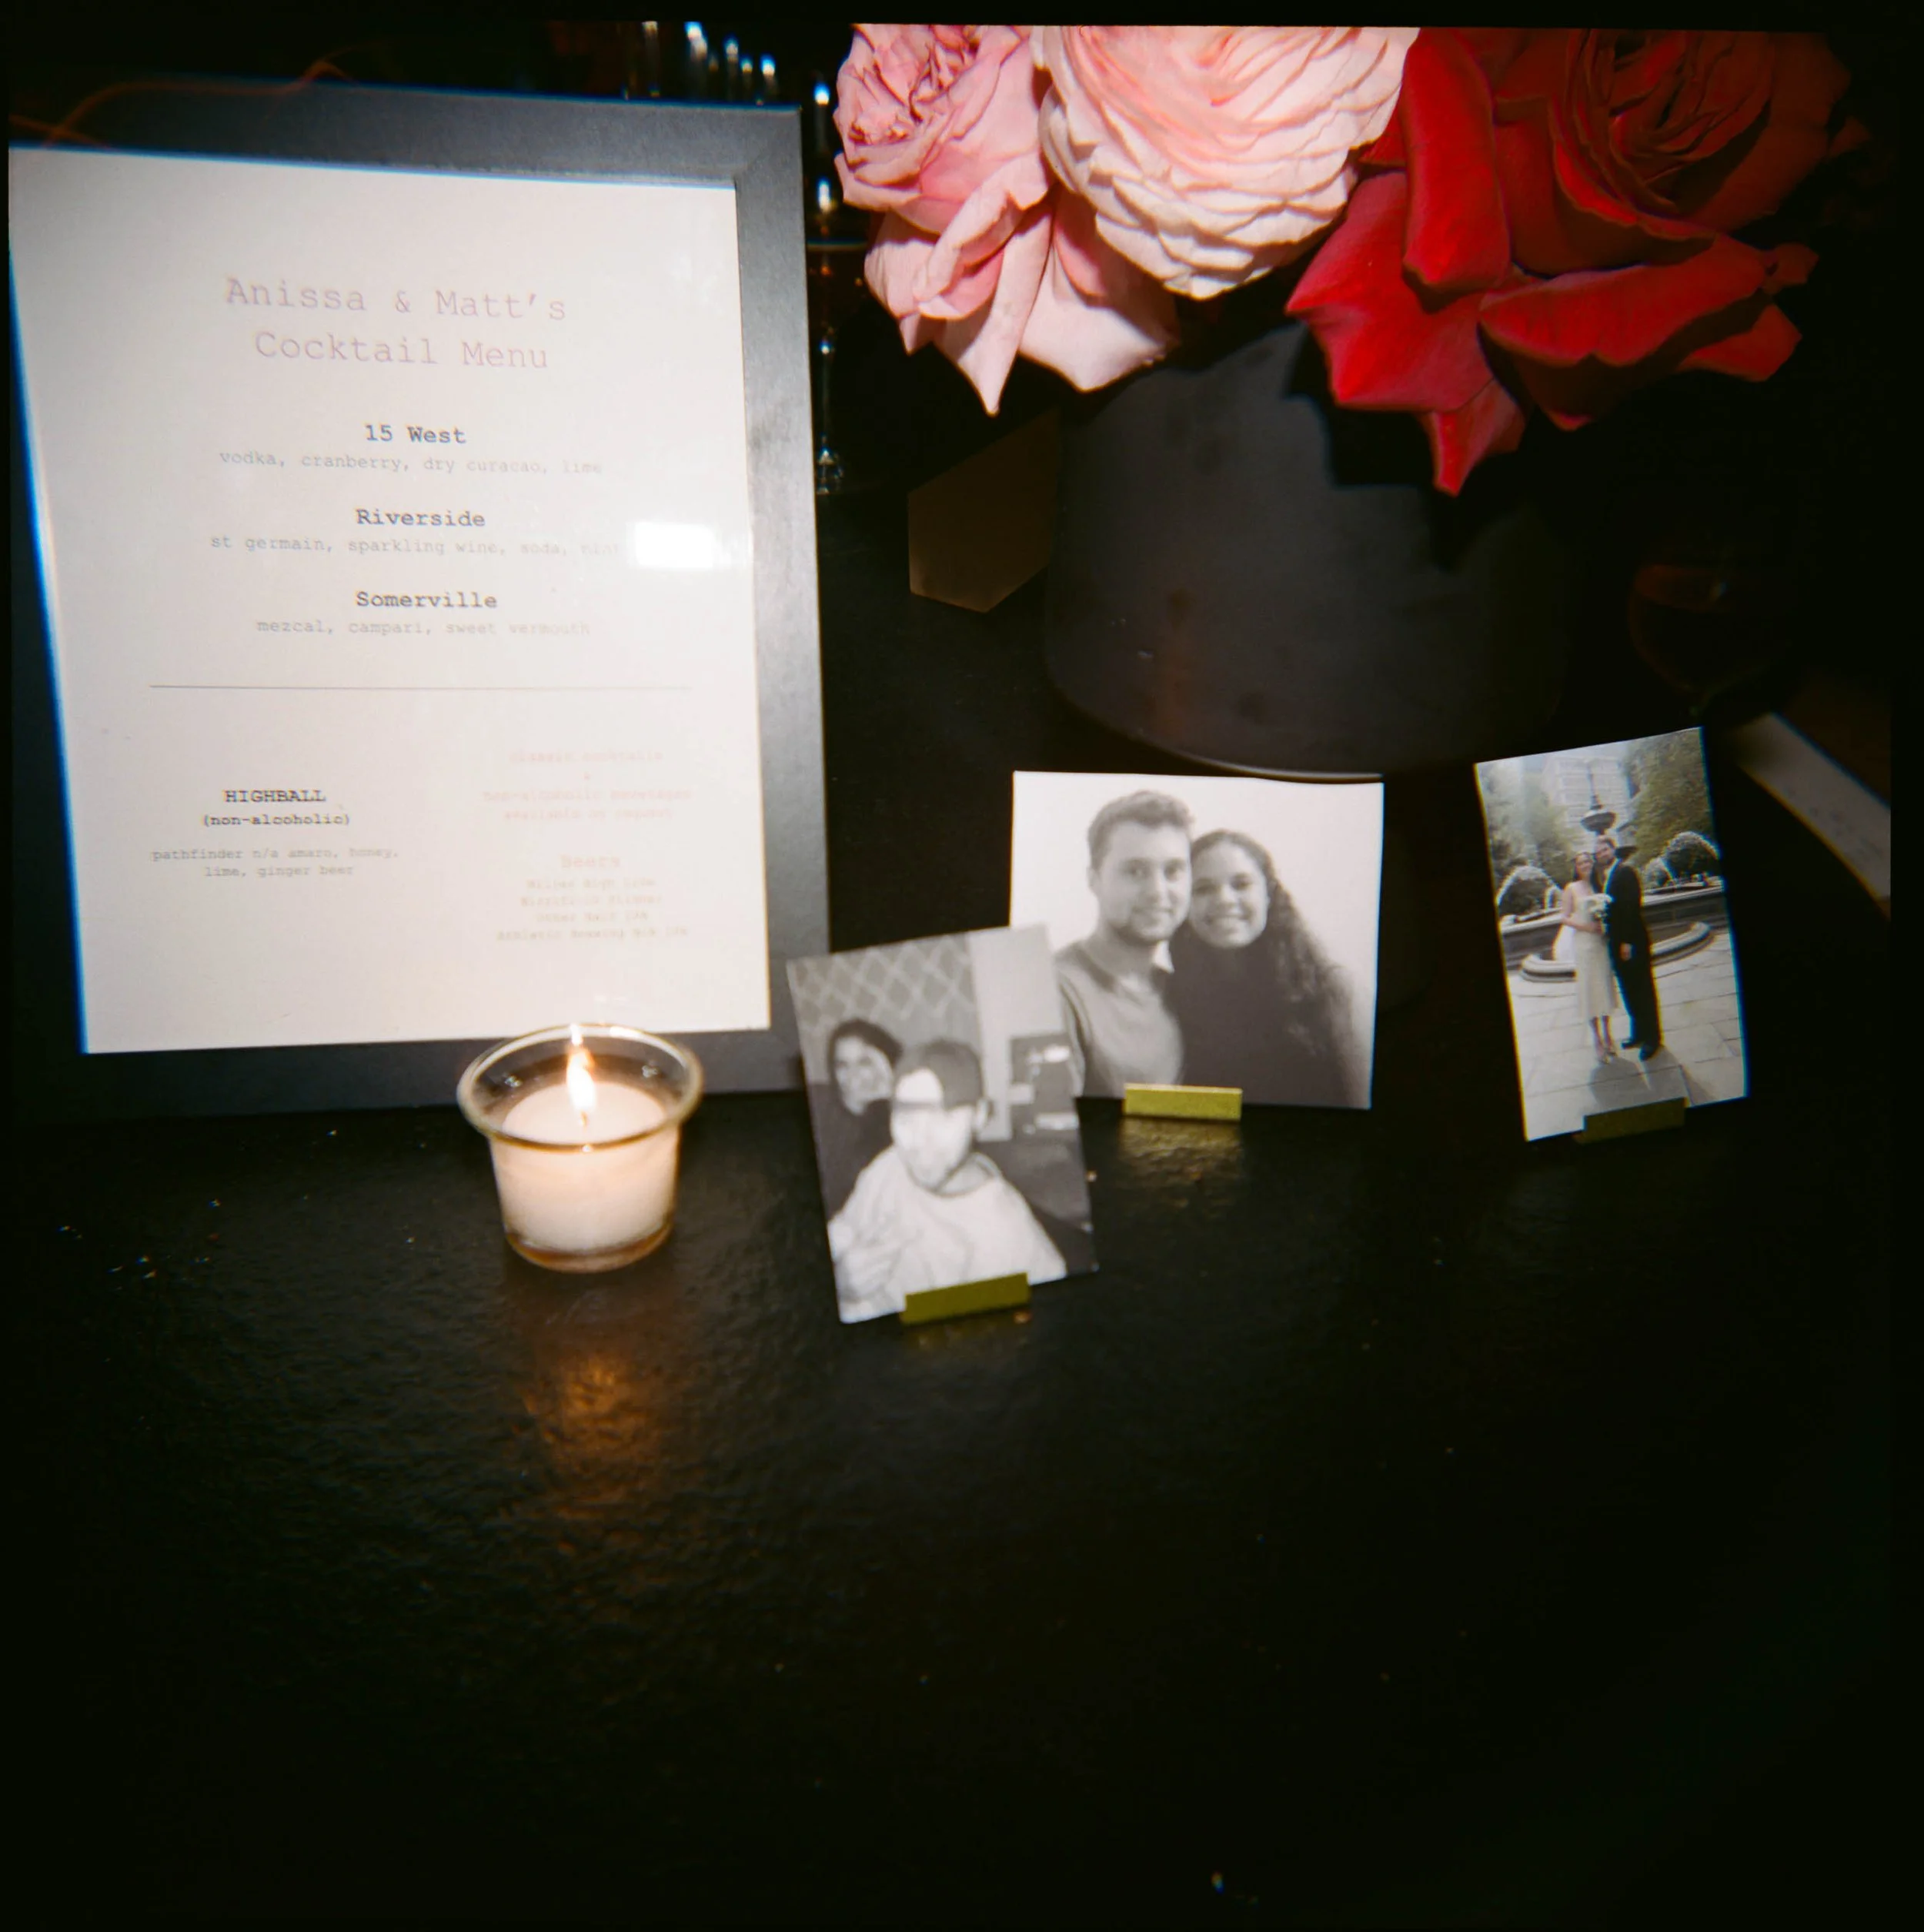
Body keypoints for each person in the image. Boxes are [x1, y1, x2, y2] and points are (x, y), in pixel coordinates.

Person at [828, 1041, 1067, 1322]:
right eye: (906, 1117)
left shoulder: (1006, 1237)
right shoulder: (890, 1163)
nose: (919, 1142)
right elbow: (843, 1228)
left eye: (943, 1117)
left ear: (980, 1116)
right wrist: (838, 1279)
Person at [1167, 829, 1364, 1107]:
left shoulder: (1333, 989)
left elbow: (1363, 1113)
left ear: (1269, 894)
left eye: (1241, 884)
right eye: (1203, 889)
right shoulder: (1171, 996)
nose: (1224, 899)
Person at [1053, 791, 1192, 1095]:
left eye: (1173, 871)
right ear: (1094, 880)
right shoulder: (1058, 988)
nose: (1158, 892)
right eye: (1135, 871)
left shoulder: (1182, 990)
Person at [807, 1018, 900, 1215]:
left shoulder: (894, 1121)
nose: (853, 1075)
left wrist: (892, 1096)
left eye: (864, 1062)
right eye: (842, 1065)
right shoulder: (818, 1103)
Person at [1594, 834, 1662, 1058]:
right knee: (1629, 990)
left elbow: (1633, 907)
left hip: (1631, 941)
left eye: (1604, 850)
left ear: (1613, 849)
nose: (1601, 854)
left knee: (1643, 989)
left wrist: (1627, 942)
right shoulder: (1605, 876)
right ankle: (1639, 1033)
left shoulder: (1625, 871)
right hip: (1615, 942)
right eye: (1598, 852)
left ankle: (1653, 1038)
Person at [1559, 848, 1620, 1065]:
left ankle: (1608, 1033)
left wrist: (1603, 926)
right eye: (1581, 863)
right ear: (1576, 868)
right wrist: (1586, 926)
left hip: (1599, 944)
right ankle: (1596, 1039)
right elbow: (1565, 918)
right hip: (1584, 944)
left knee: (1603, 986)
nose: (1585, 865)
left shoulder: (1598, 885)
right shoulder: (1571, 888)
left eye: (1588, 861)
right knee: (1590, 989)